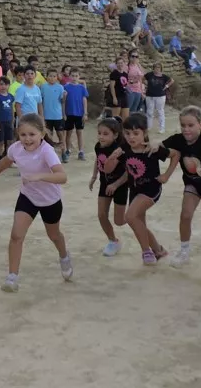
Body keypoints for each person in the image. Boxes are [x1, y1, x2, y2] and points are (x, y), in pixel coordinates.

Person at [0, 114, 73, 292]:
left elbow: (62, 177)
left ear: (42, 134)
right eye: (23, 134)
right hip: (28, 197)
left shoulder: (47, 151)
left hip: (50, 200)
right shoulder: (16, 149)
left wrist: (40, 176)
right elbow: (5, 162)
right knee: (16, 235)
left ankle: (64, 256)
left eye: (32, 134)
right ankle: (12, 277)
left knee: (54, 235)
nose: (27, 139)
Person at [158, 105, 201, 268]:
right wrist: (154, 144)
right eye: (183, 125)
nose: (186, 129)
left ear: (200, 124)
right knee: (185, 215)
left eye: (190, 125)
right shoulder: (178, 139)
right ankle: (184, 251)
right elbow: (161, 145)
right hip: (192, 184)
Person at [105, 114, 172, 266]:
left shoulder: (152, 149)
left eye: (136, 133)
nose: (131, 137)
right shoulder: (124, 149)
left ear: (145, 133)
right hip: (135, 190)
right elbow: (108, 169)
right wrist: (112, 157)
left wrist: (166, 175)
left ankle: (146, 251)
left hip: (151, 190)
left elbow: (175, 155)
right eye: (127, 133)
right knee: (138, 223)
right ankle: (158, 250)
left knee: (130, 217)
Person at [91, 117, 129, 257]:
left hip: (120, 185)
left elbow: (128, 172)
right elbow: (98, 159)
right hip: (105, 183)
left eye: (105, 134)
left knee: (119, 221)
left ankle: (134, 217)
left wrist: (116, 184)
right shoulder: (98, 146)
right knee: (101, 215)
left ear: (115, 135)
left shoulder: (119, 150)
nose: (101, 136)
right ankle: (113, 241)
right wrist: (94, 176)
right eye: (99, 133)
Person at [62, 68, 89, 162]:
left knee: (79, 133)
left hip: (79, 114)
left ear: (79, 77)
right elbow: (63, 101)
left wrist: (85, 113)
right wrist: (64, 113)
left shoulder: (82, 88)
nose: (74, 78)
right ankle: (68, 150)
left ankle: (81, 151)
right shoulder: (65, 87)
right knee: (68, 133)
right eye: (72, 76)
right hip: (69, 113)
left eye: (76, 76)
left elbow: (84, 100)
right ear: (69, 76)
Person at [40, 74, 67, 157]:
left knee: (60, 134)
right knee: (49, 136)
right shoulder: (43, 87)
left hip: (58, 116)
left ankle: (63, 153)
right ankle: (50, 154)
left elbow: (62, 101)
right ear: (47, 77)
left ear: (57, 78)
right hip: (47, 116)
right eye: (50, 76)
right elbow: (40, 101)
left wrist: (63, 114)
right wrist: (41, 115)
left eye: (54, 76)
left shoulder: (60, 87)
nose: (52, 78)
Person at [143, 62, 171, 133]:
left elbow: (171, 80)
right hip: (150, 95)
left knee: (160, 111)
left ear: (161, 68)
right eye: (155, 67)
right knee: (149, 112)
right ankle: (149, 126)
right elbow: (142, 79)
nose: (157, 69)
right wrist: (146, 84)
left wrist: (166, 86)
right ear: (153, 68)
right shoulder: (149, 74)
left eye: (158, 67)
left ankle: (162, 128)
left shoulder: (163, 76)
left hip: (160, 96)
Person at [0, 76, 14, 159]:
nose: (3, 86)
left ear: (8, 85)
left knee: (10, 141)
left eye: (6, 84)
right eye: (1, 84)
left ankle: (8, 158)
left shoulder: (11, 96)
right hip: (0, 122)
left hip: (9, 121)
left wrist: (12, 121)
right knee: (0, 141)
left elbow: (11, 109)